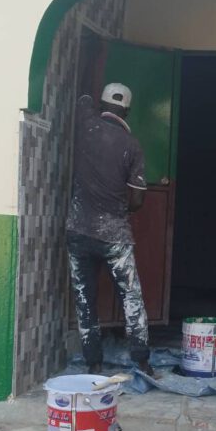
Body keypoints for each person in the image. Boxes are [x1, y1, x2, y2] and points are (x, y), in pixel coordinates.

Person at [66, 82, 153, 375]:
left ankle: (94, 363)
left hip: (78, 230)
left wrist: (89, 97)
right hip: (115, 236)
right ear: (127, 111)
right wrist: (119, 209)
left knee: (84, 297)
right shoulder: (132, 146)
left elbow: (83, 100)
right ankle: (141, 361)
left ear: (103, 105)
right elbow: (137, 200)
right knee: (131, 296)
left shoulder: (85, 126)